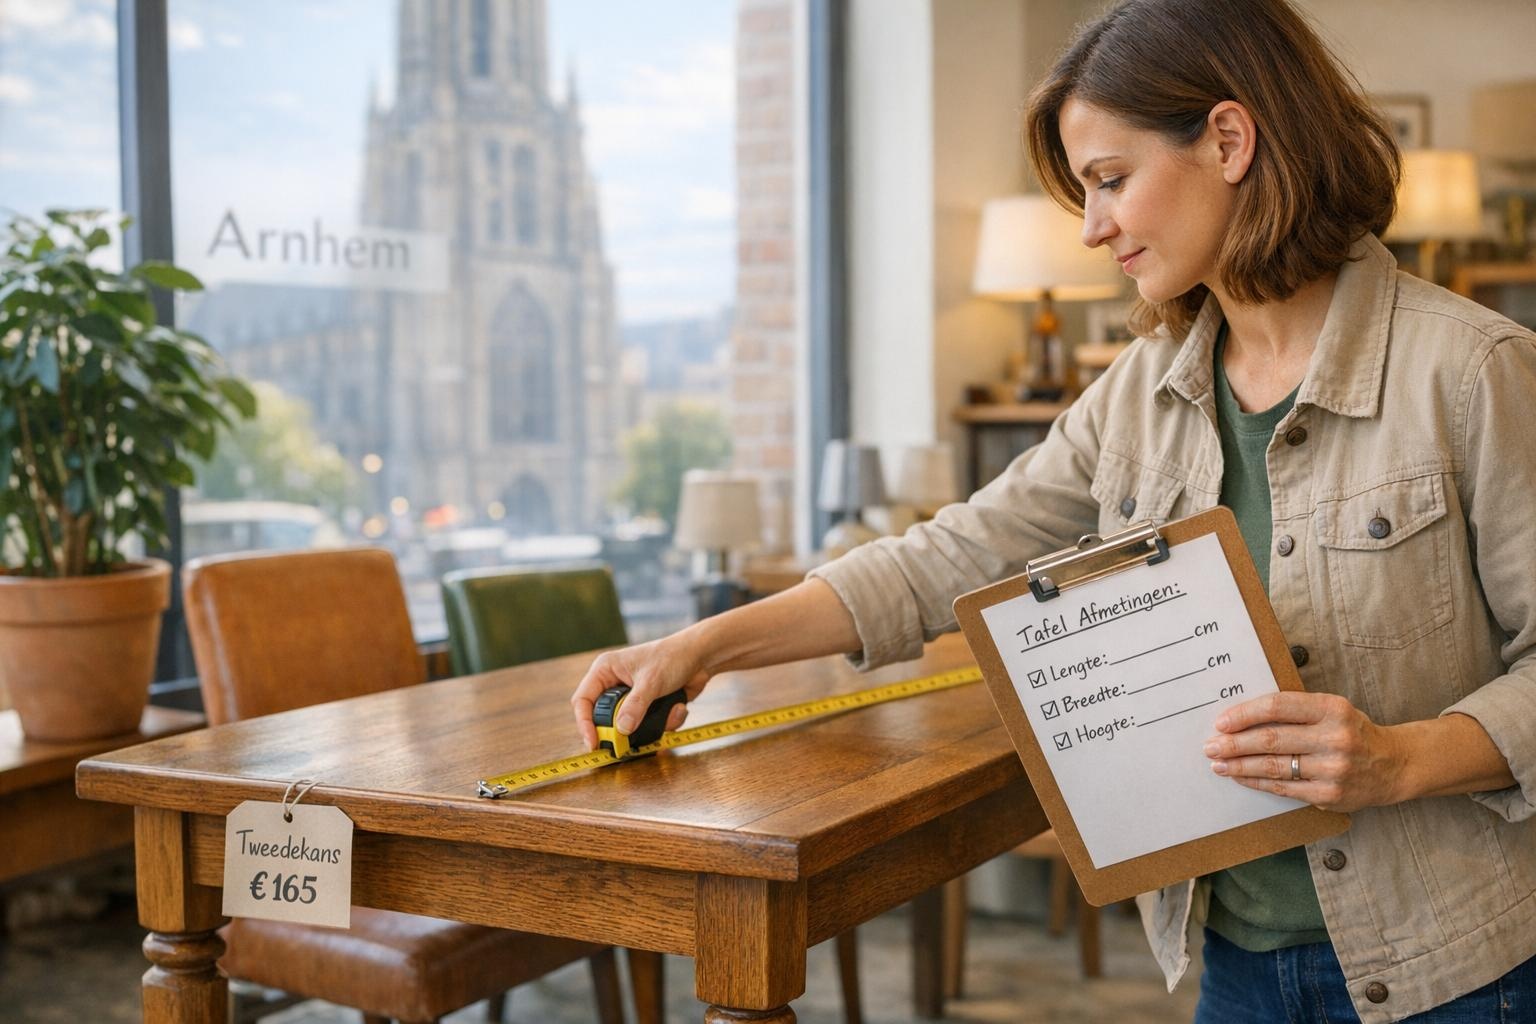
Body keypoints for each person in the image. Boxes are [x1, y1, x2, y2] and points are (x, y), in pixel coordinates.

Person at [573, 0, 1536, 1019]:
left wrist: (1398, 759)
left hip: (1458, 969)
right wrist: (701, 647)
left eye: (1110, 180)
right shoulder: (1143, 389)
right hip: (1236, 962)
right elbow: (949, 555)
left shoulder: (1474, 373)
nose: (1093, 227)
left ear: (1228, 139)